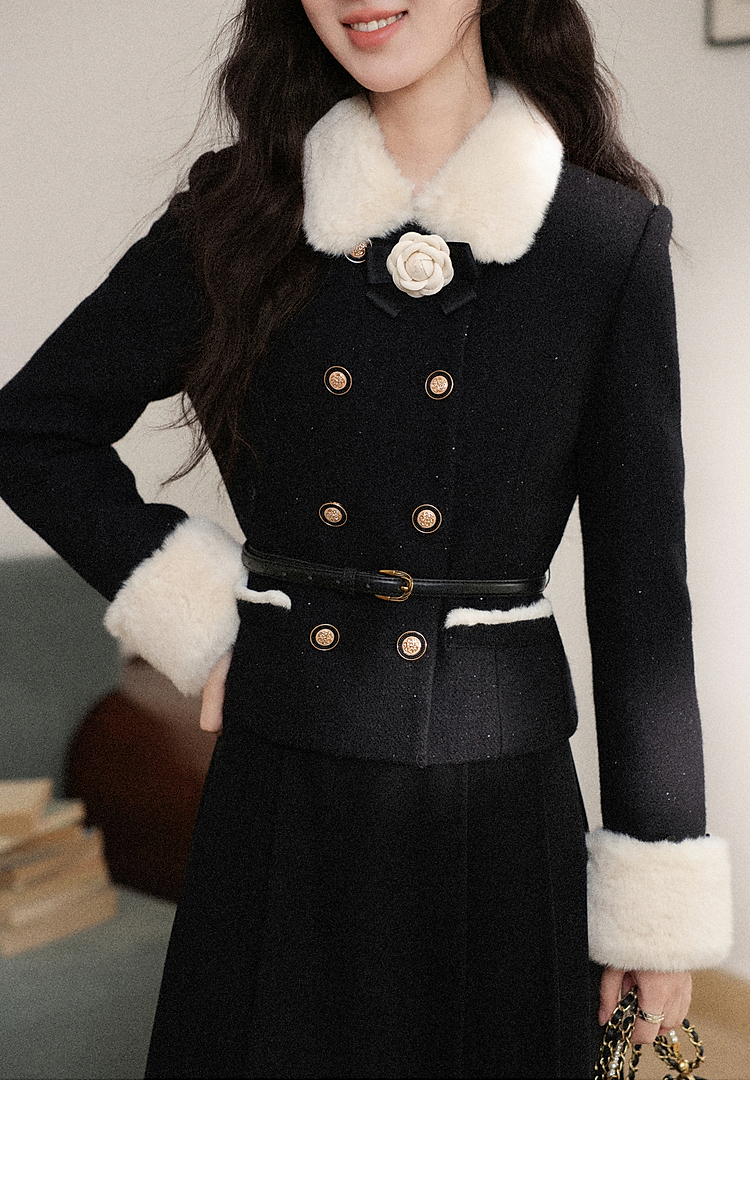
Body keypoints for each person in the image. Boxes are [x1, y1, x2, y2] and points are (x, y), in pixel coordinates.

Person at [0, 0, 732, 1080]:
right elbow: (32, 429)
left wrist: (654, 907)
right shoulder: (243, 209)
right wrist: (204, 619)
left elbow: (642, 604)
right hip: (282, 784)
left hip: (497, 801)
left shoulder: (600, 243)